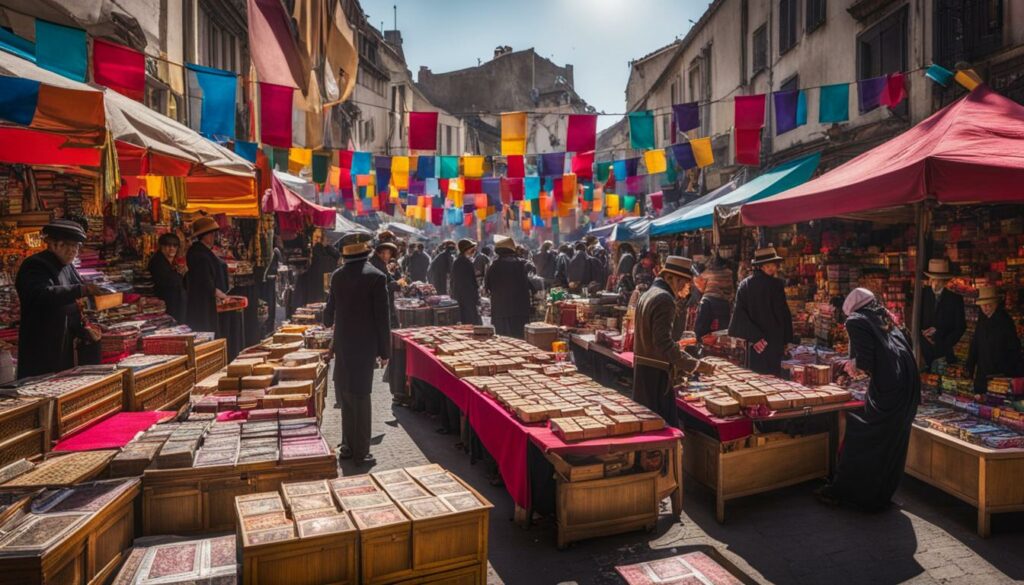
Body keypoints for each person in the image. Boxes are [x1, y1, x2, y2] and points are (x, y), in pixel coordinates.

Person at [817, 288, 920, 510]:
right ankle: (882, 493)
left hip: (889, 389)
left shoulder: (856, 321)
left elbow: (863, 363)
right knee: (894, 441)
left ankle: (853, 493)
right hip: (910, 385)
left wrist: (850, 367)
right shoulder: (885, 317)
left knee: (866, 436)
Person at [324, 234, 391, 466]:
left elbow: (328, 312)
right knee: (362, 396)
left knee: (346, 396)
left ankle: (348, 447)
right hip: (365, 345)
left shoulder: (337, 276)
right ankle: (362, 451)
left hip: (343, 343)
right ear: (367, 252)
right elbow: (383, 319)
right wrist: (385, 352)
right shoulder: (376, 277)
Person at [16, 220, 107, 378]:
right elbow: (41, 294)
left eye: (76, 247)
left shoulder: (68, 266)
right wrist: (82, 290)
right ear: (52, 244)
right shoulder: (35, 265)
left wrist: (86, 328)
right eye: (68, 245)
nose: (73, 251)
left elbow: (76, 304)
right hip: (43, 346)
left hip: (66, 344)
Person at [633, 256, 705, 427]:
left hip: (645, 370)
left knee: (647, 425)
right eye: (687, 283)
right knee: (660, 428)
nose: (688, 289)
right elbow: (663, 343)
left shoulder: (649, 293)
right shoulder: (665, 299)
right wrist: (694, 365)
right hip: (656, 374)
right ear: (674, 279)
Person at [728, 245, 793, 376]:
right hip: (774, 341)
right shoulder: (776, 284)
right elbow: (783, 314)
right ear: (761, 266)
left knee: (755, 378)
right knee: (773, 379)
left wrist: (755, 336)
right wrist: (786, 340)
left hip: (754, 343)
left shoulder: (744, 285)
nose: (773, 268)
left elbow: (739, 315)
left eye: (774, 265)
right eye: (769, 266)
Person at [966, 286, 1022, 393]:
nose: (986, 307)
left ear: (996, 304)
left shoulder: (1005, 321)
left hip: (999, 375)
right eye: (983, 305)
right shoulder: (982, 319)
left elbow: (1014, 349)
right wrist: (970, 366)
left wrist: (1007, 373)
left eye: (989, 304)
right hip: (983, 373)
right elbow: (975, 344)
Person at [919, 258, 966, 368]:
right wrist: (922, 335)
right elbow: (915, 320)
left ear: (945, 281)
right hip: (923, 352)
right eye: (933, 280)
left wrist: (943, 341)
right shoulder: (922, 295)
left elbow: (960, 327)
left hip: (944, 353)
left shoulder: (955, 299)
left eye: (938, 280)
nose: (935, 284)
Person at [186, 216, 228, 336]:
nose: (214, 237)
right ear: (205, 235)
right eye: (212, 234)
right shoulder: (199, 254)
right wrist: (218, 293)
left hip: (202, 299)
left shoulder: (199, 250)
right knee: (206, 328)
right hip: (202, 301)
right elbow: (204, 280)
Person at [485, 236, 531, 338]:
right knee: (519, 338)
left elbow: (487, 287)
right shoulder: (521, 264)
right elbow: (529, 284)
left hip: (500, 309)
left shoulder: (493, 266)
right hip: (519, 309)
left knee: (503, 339)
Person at [693, 254, 735, 340]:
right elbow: (731, 290)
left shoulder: (706, 273)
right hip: (723, 303)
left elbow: (699, 287)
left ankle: (700, 344)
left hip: (707, 302)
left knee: (701, 331)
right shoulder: (729, 273)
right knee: (723, 332)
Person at [148, 232, 187, 324]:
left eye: (175, 246)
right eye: (168, 245)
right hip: (167, 305)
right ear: (161, 246)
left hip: (173, 303)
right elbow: (169, 282)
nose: (172, 248)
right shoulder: (158, 262)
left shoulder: (170, 261)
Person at [369, 241, 401, 328]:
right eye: (383, 253)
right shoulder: (375, 264)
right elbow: (378, 286)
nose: (385, 256)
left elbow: (388, 278)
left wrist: (399, 282)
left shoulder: (382, 263)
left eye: (388, 253)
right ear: (378, 253)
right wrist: (395, 284)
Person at [451, 239, 481, 325]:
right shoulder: (466, 262)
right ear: (466, 250)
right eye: (472, 249)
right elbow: (472, 282)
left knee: (464, 319)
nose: (473, 251)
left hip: (460, 295)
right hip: (467, 296)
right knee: (470, 320)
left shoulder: (457, 261)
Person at [305, 229, 340, 304]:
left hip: (326, 277)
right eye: (327, 239)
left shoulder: (328, 248)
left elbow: (337, 256)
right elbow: (321, 260)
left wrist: (329, 248)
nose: (329, 240)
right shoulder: (317, 248)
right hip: (318, 279)